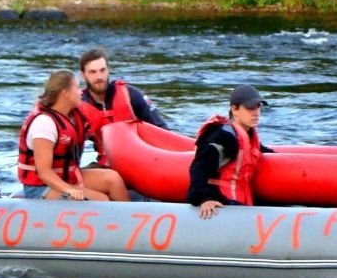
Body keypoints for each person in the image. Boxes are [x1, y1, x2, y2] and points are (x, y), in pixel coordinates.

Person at [17, 70, 127, 202]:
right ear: (65, 93)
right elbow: (44, 173)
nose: (81, 92)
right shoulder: (44, 124)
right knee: (100, 199)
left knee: (112, 179)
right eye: (76, 87)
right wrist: (69, 189)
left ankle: (133, 220)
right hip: (41, 187)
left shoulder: (76, 115)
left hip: (67, 176)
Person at [187, 85, 274, 219]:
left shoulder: (248, 134)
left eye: (258, 107)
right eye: (250, 108)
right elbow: (198, 168)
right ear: (234, 109)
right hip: (221, 202)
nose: (256, 112)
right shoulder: (223, 138)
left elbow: (259, 151)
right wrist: (205, 198)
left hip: (242, 201)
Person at [76, 46, 168, 169]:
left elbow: (163, 132)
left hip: (142, 164)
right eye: (92, 72)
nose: (99, 77)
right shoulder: (79, 106)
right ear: (83, 75)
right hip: (106, 167)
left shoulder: (131, 95)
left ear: (108, 70)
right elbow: (72, 146)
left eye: (102, 70)